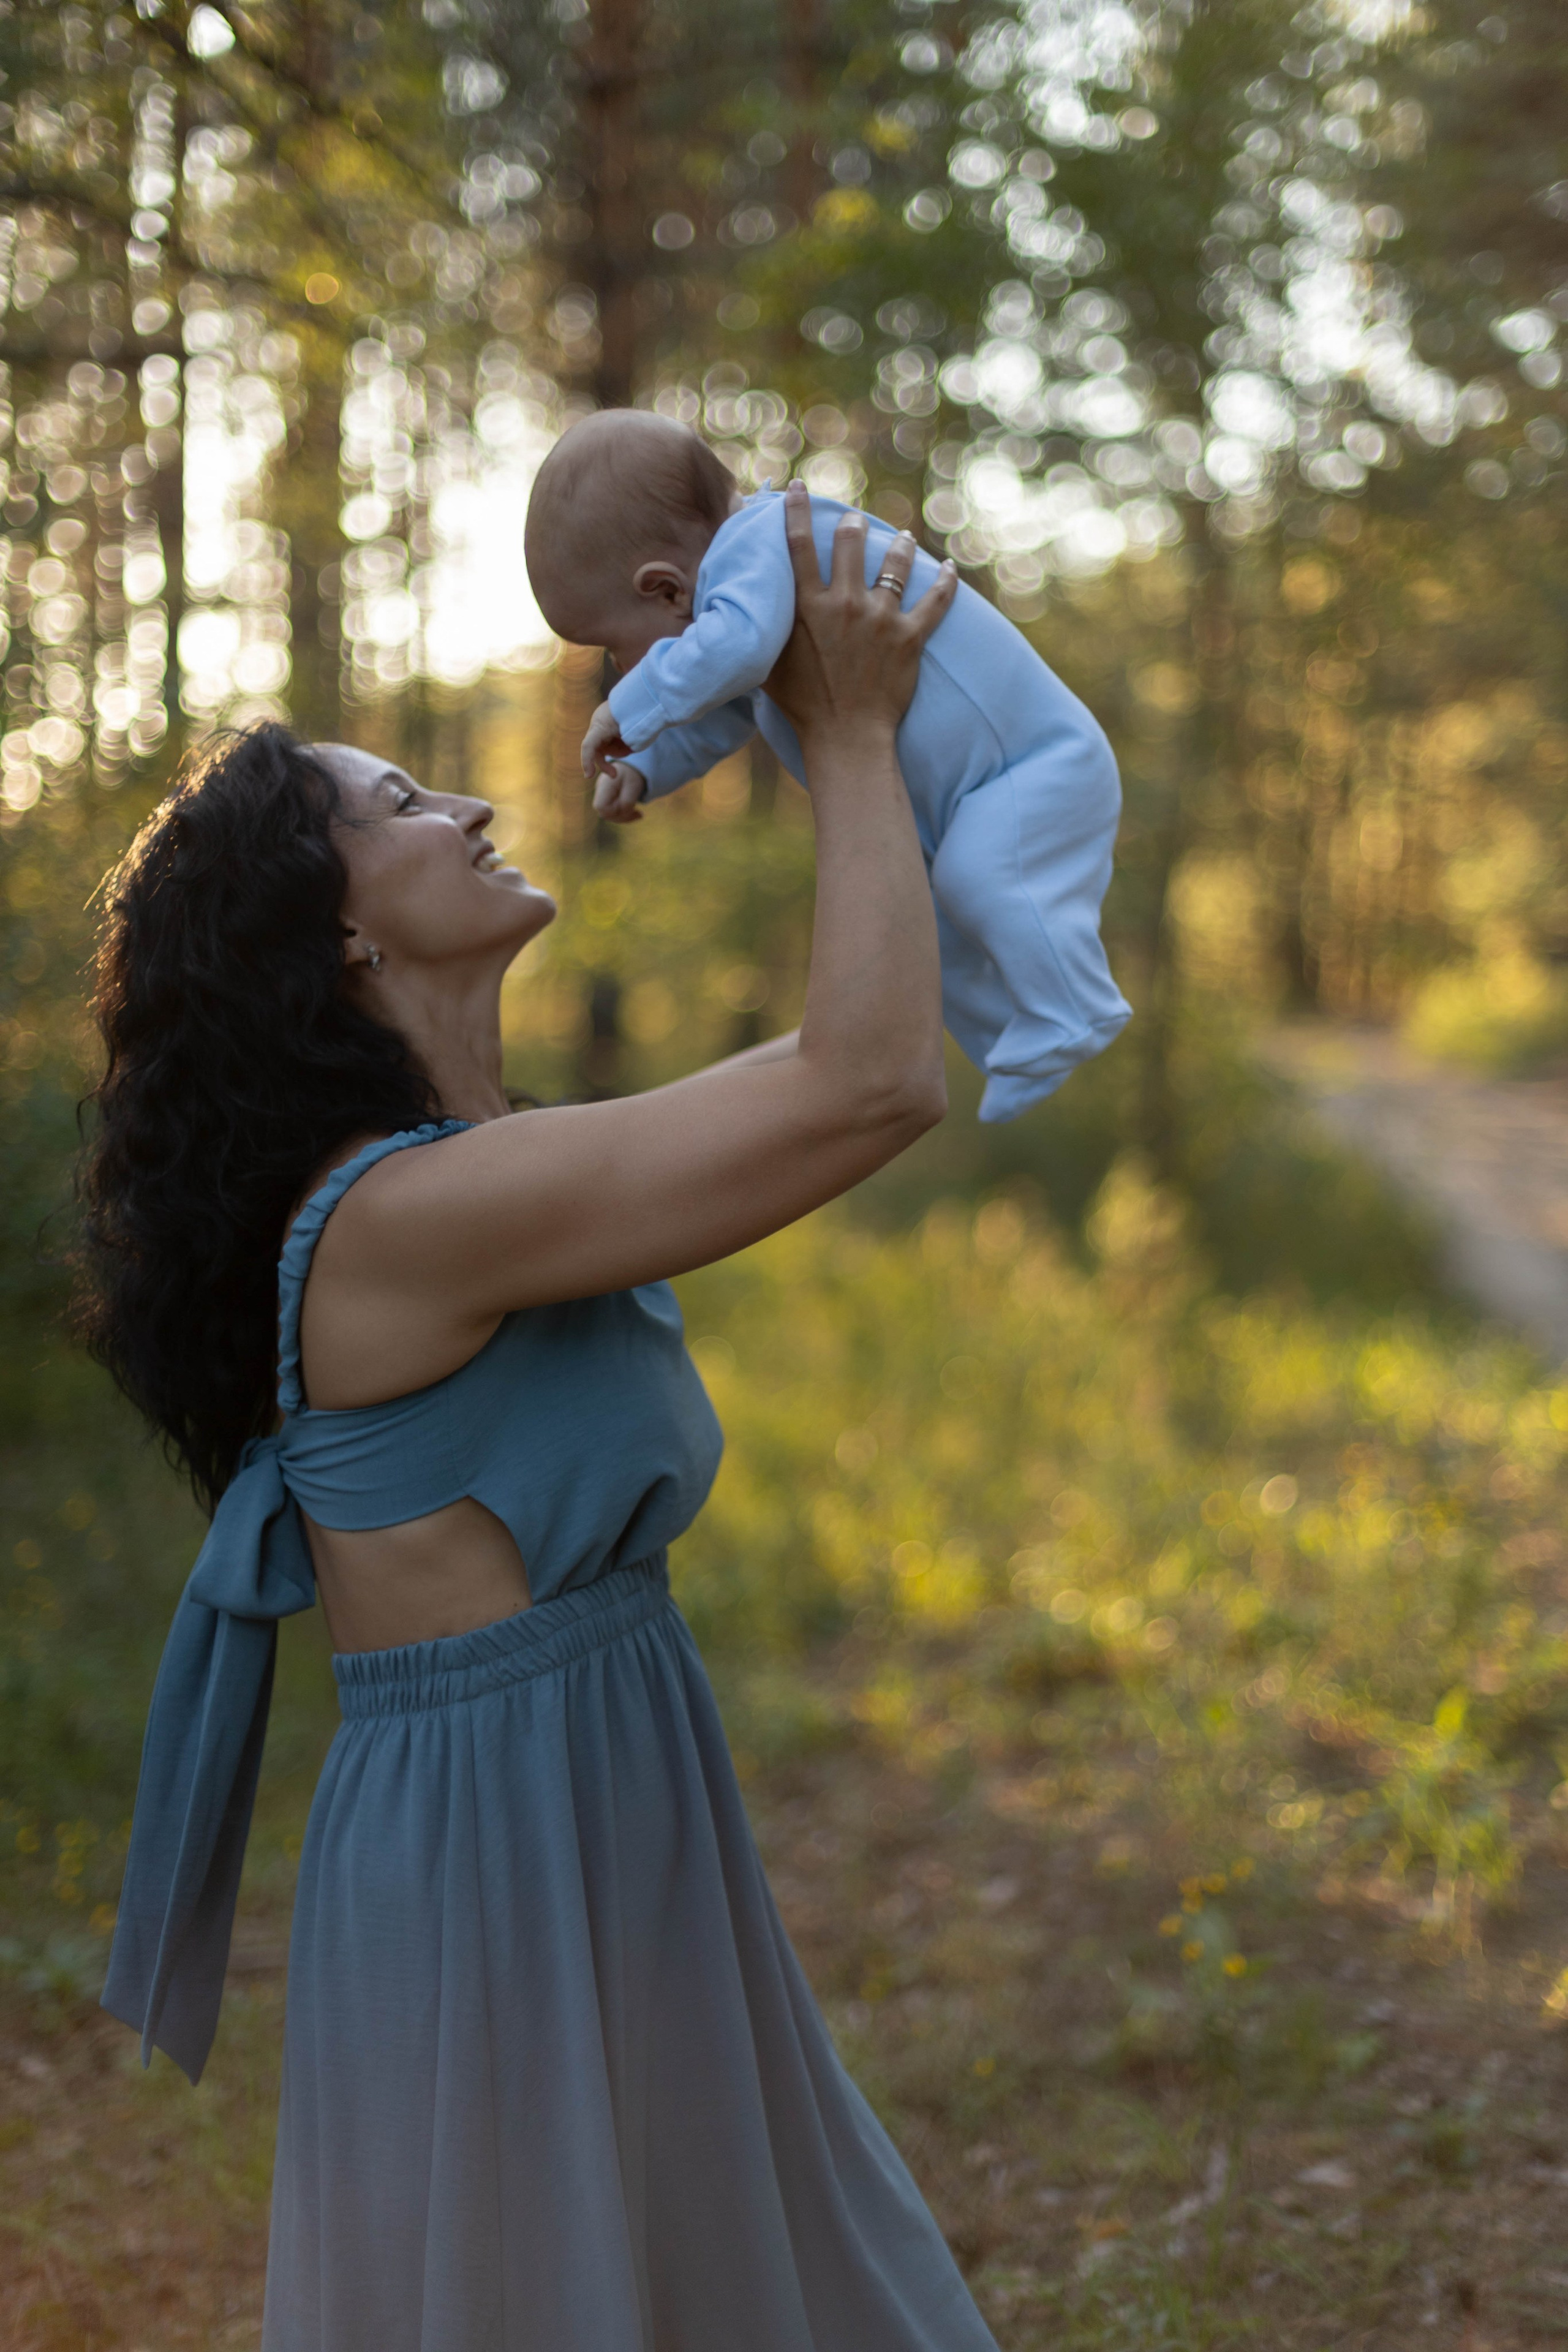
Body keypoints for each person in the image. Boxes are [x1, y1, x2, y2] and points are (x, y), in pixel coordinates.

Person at [80, 485, 1005, 2351]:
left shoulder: (488, 1165)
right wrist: (834, 728)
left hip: (599, 1765)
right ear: (328, 935)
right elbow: (870, 1078)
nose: (473, 802)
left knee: (712, 2266)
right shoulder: (405, 1219)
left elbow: (869, 1028)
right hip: (494, 1828)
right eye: (403, 805)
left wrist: (823, 718)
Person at [524, 409, 1131, 1123]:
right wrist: (647, 765)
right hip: (971, 797)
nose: (622, 669)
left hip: (1034, 767)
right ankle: (1012, 1038)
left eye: (611, 649)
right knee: (935, 924)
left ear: (664, 588)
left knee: (979, 880)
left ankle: (1078, 1010)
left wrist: (630, 706)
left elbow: (733, 650)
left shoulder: (765, 544)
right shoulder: (746, 601)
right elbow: (728, 707)